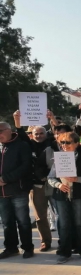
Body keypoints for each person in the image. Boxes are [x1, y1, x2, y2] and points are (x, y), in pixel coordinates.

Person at [13, 111, 58, 250]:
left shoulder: (53, 144)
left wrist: (52, 118)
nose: (38, 136)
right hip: (37, 186)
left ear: (46, 134)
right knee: (40, 216)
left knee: (62, 215)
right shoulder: (28, 144)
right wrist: (17, 120)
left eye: (41, 133)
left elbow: (57, 131)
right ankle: (46, 241)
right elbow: (20, 132)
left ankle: (67, 241)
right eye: (36, 133)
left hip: (56, 184)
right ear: (31, 135)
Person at [47, 131, 81, 263]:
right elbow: (50, 177)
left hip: (79, 195)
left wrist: (77, 179)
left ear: (76, 143)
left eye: (67, 142)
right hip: (61, 195)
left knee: (80, 224)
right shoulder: (59, 158)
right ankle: (64, 252)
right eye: (62, 142)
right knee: (64, 224)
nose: (64, 145)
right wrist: (58, 185)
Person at [0, 122, 34, 259]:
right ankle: (11, 248)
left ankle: (27, 247)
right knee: (7, 223)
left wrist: (6, 178)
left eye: (0, 131)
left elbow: (26, 166)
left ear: (9, 130)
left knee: (23, 221)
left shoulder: (21, 145)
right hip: (2, 193)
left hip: (18, 190)